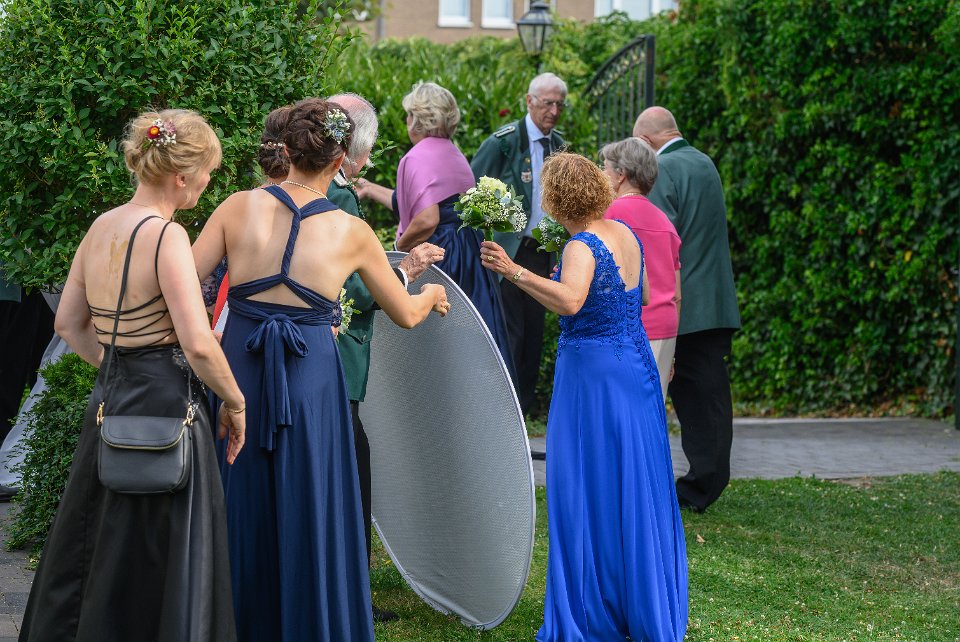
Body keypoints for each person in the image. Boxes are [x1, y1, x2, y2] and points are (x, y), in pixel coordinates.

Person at [192, 97, 449, 642]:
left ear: (286, 151)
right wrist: (429, 295)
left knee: (239, 495)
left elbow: (184, 282)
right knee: (312, 501)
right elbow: (405, 313)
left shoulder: (237, 207)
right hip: (311, 380)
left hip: (239, 372)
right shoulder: (351, 230)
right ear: (339, 161)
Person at [19, 109, 247, 641]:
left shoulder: (102, 226)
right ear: (181, 176)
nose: (209, 182)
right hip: (168, 403)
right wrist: (235, 403)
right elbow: (197, 343)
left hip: (113, 397)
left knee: (100, 540)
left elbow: (67, 323)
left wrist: (118, 367)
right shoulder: (166, 236)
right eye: (207, 172)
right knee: (165, 551)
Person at [480, 152, 688, 641]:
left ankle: (595, 607)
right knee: (631, 481)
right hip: (633, 367)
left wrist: (513, 270)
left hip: (593, 377)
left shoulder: (582, 245)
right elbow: (640, 294)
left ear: (555, 200)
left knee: (587, 483)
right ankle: (639, 599)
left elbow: (571, 301)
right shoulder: (624, 232)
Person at [326, 91, 445, 623]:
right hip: (336, 357)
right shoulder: (339, 199)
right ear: (351, 148)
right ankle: (353, 594)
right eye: (368, 150)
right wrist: (406, 271)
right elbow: (355, 290)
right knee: (353, 472)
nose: (370, 160)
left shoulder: (277, 191)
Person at [356, 82, 512, 369]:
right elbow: (418, 204)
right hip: (468, 251)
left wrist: (399, 247)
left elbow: (427, 219)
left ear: (417, 119)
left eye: (409, 114)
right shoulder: (454, 153)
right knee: (468, 336)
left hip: (442, 253)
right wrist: (369, 189)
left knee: (434, 341)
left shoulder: (416, 157)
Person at [633, 106, 741, 512]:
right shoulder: (704, 162)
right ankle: (709, 477)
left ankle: (700, 484)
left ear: (646, 141)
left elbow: (659, 240)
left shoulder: (665, 169)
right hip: (715, 301)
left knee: (694, 400)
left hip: (686, 306)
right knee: (711, 396)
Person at [470, 72, 567, 416]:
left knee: (534, 336)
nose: (553, 111)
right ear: (529, 101)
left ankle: (523, 412)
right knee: (511, 334)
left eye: (559, 105)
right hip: (509, 250)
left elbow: (558, 203)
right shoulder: (505, 142)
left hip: (541, 251)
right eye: (547, 103)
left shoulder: (560, 145)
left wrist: (558, 248)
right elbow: (473, 190)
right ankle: (505, 413)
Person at [601, 137, 682, 399]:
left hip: (627, 329)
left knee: (624, 410)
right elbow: (677, 294)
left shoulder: (609, 216)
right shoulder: (665, 222)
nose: (602, 174)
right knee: (653, 409)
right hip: (665, 328)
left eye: (605, 168)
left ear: (621, 174)